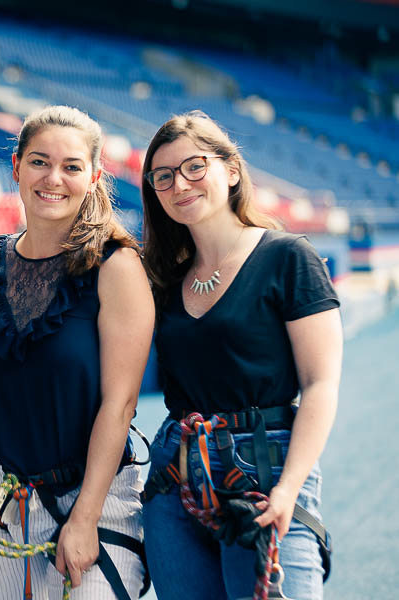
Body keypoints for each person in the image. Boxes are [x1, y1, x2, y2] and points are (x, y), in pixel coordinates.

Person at [139, 111, 341, 600]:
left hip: (267, 474)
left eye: (193, 166)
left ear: (230, 170)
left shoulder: (288, 257)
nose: (179, 184)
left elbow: (320, 384)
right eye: (162, 177)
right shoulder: (163, 277)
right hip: (176, 477)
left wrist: (290, 488)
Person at [0, 106, 154, 600]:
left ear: (93, 177)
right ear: (17, 166)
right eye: (40, 162)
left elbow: (121, 404)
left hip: (92, 495)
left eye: (71, 167)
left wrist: (84, 518)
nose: (53, 179)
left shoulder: (116, 264)